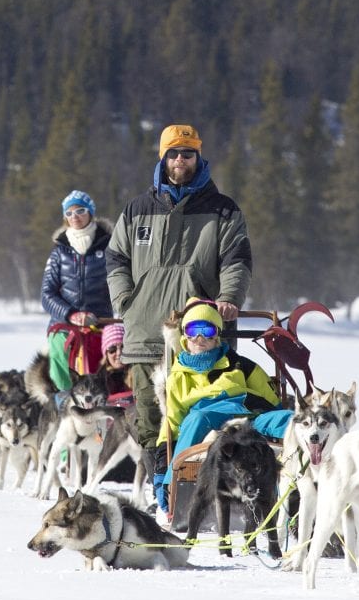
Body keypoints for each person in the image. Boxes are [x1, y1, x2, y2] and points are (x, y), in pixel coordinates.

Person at [104, 123, 253, 452]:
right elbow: (116, 259)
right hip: (145, 332)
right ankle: (160, 491)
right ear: (163, 158)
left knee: (203, 418)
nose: (180, 160)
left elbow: (236, 260)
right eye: (174, 153)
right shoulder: (136, 210)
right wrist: (125, 301)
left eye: (188, 153)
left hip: (201, 337)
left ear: (198, 158)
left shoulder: (223, 210)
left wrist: (229, 298)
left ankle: (198, 488)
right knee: (149, 421)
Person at [161, 301, 280, 451]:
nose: (200, 337)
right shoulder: (178, 377)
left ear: (216, 336)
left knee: (289, 420)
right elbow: (172, 422)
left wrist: (280, 416)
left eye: (207, 331)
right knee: (198, 418)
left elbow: (272, 402)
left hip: (248, 416)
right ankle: (176, 474)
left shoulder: (241, 366)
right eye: (193, 330)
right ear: (184, 336)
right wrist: (163, 456)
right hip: (204, 423)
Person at [40, 190, 113, 389]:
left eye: (80, 210)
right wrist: (71, 315)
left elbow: (122, 282)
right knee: (59, 351)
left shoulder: (110, 246)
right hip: (64, 323)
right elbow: (47, 294)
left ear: (90, 212)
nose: (75, 217)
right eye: (69, 213)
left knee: (110, 356)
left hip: (102, 320)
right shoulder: (59, 251)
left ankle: (103, 400)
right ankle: (64, 399)